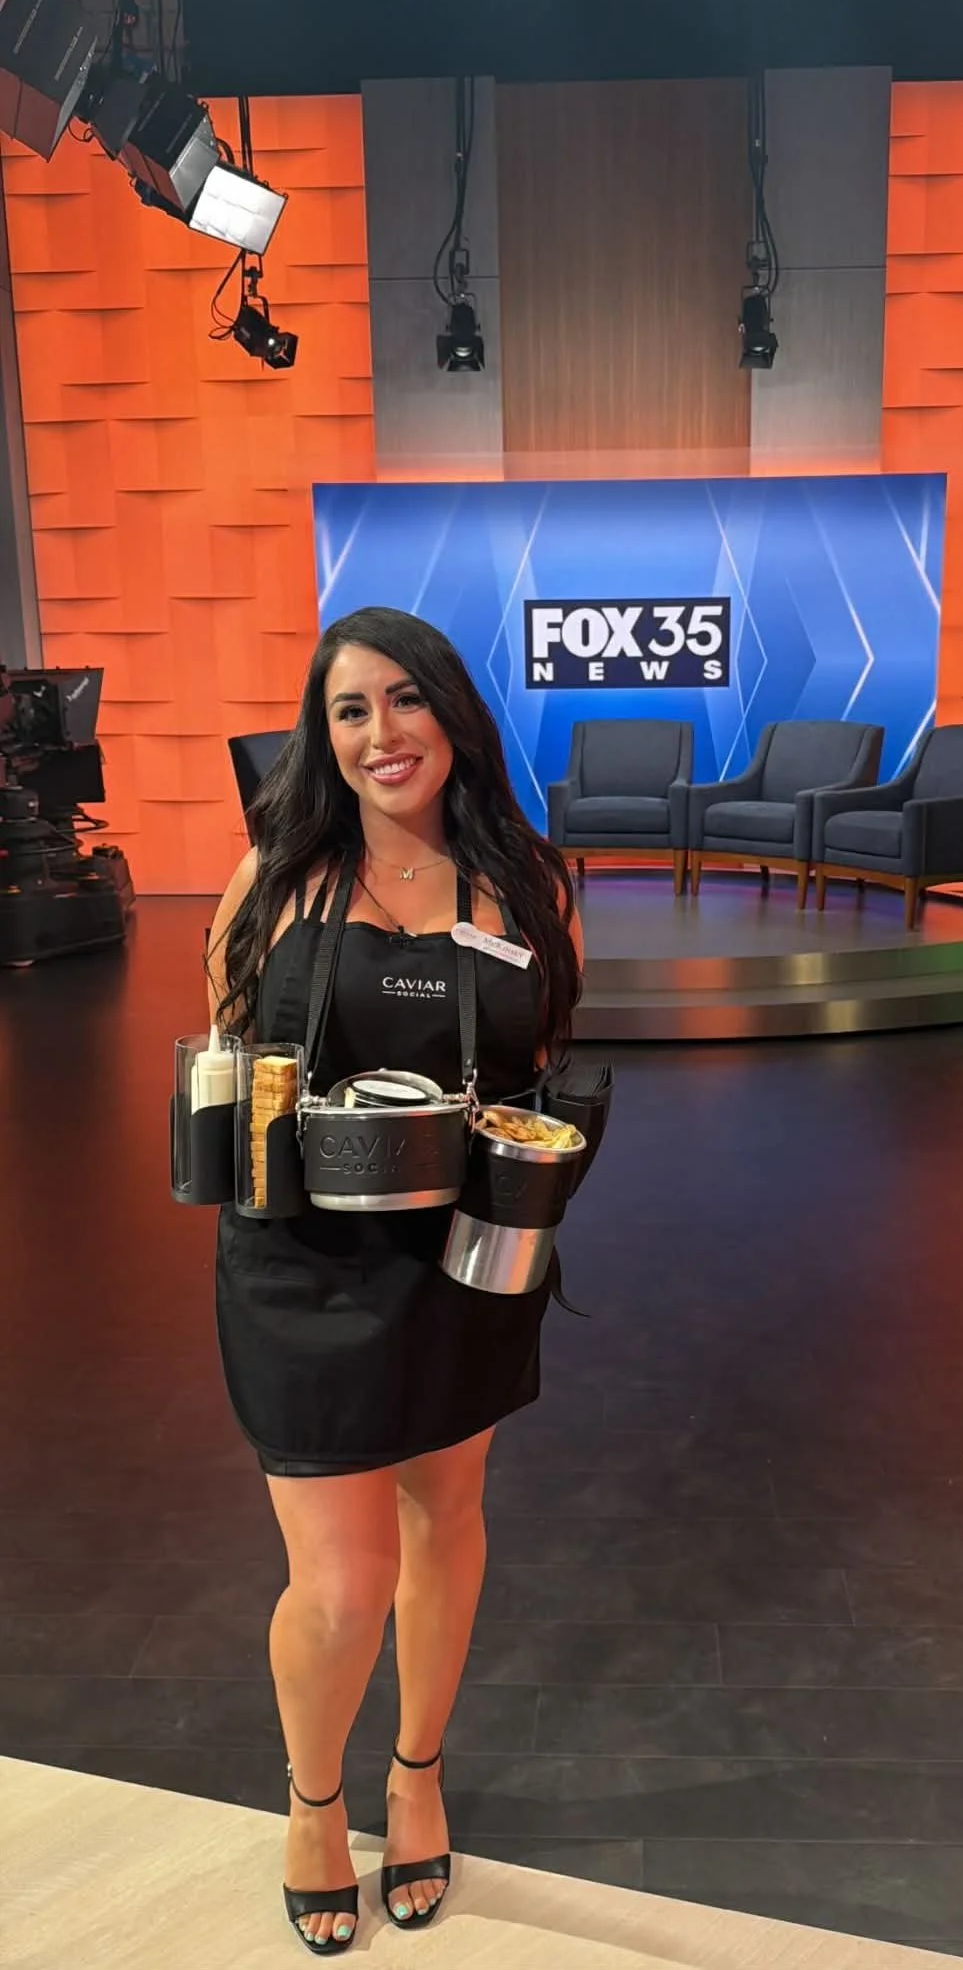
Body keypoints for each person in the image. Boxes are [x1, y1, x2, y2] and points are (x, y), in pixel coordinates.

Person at [205, 607, 583, 1954]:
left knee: (448, 1515)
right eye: (349, 709)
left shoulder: (524, 878)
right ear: (324, 734)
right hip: (301, 1266)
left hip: (467, 1264)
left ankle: (416, 1774)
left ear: (453, 715)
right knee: (342, 1581)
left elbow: (544, 1051)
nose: (379, 733)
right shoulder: (275, 874)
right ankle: (314, 1803)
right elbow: (225, 1054)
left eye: (404, 700)